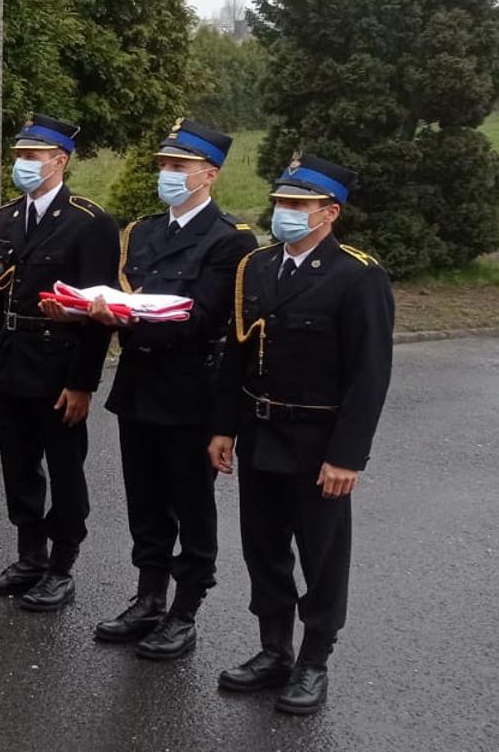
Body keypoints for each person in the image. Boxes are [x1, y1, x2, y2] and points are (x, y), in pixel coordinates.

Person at [209, 153, 392, 715]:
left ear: (329, 212)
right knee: (264, 549)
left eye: (297, 205)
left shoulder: (358, 276)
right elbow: (236, 358)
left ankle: (314, 661)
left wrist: (347, 457)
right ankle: (273, 651)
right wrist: (223, 429)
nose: (284, 213)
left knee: (322, 555)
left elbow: (370, 376)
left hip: (319, 445)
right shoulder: (258, 267)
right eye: (280, 203)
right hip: (261, 433)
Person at [89, 119, 259, 659]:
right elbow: (131, 295)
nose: (166, 174)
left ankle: (185, 611)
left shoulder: (230, 241)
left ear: (208, 175)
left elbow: (202, 318)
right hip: (139, 386)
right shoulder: (143, 231)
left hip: (190, 393)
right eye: (163, 165)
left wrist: (123, 313)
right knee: (145, 501)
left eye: (178, 167)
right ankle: (148, 598)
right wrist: (95, 311)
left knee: (191, 505)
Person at [0, 114, 119, 612]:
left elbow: (100, 310)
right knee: (18, 464)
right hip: (15, 357)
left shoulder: (89, 221)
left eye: (32, 157)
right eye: (19, 156)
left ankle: (61, 565)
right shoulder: (9, 217)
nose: (23, 165)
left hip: (60, 362)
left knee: (64, 467)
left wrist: (82, 383)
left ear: (60, 160)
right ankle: (29, 556)